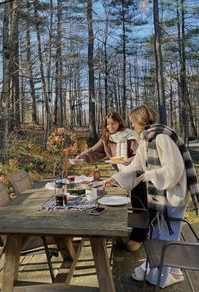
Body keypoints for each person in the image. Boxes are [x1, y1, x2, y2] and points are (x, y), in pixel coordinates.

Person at [104, 105, 199, 288]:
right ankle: (172, 270)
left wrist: (151, 175)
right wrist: (115, 178)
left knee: (166, 236)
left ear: (140, 121)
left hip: (171, 196)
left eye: (133, 121)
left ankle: (162, 273)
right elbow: (135, 166)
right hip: (159, 197)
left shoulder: (161, 137)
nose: (132, 124)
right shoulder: (147, 139)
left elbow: (175, 170)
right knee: (163, 235)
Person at [76, 112, 148, 251]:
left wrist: (130, 160)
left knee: (139, 204)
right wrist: (80, 158)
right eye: (108, 124)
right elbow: (93, 151)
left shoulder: (131, 136)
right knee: (114, 202)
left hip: (137, 174)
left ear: (119, 123)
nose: (110, 127)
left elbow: (140, 155)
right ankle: (117, 230)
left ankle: (139, 237)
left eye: (113, 124)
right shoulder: (106, 139)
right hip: (120, 175)